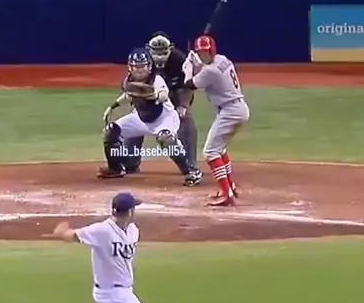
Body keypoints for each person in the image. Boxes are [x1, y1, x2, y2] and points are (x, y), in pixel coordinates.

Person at [98, 48, 201, 187]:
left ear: (149, 67)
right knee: (111, 131)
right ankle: (115, 168)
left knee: (166, 139)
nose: (139, 70)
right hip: (140, 118)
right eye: (136, 66)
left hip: (165, 119)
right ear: (130, 67)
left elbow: (164, 94)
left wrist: (155, 96)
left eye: (143, 66)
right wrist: (112, 106)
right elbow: (128, 95)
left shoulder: (156, 80)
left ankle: (191, 171)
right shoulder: (128, 81)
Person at [123, 32, 202, 184]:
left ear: (170, 49)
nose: (159, 56)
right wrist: (138, 100)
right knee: (135, 120)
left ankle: (190, 164)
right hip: (150, 98)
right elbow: (131, 83)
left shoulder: (180, 60)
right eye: (156, 52)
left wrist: (183, 105)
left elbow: (187, 87)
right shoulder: (142, 61)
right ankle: (130, 163)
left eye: (163, 52)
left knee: (185, 120)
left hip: (174, 96)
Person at [183, 35, 250, 206]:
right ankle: (230, 187)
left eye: (205, 52)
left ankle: (227, 195)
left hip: (230, 111)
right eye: (200, 53)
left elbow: (190, 84)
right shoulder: (222, 59)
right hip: (238, 108)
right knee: (219, 150)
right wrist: (197, 63)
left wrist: (188, 67)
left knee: (211, 152)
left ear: (212, 50)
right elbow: (207, 69)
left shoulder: (209, 71)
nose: (203, 55)